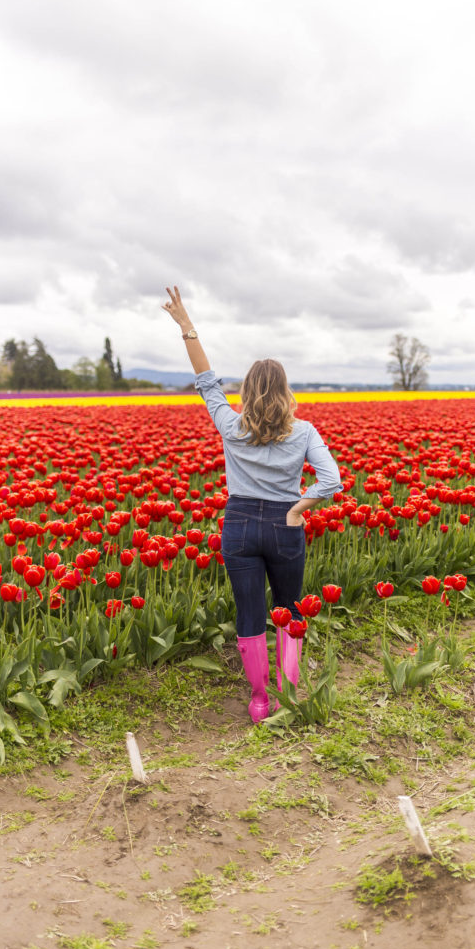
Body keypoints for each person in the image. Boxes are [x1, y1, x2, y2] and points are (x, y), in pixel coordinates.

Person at [162, 286, 342, 723]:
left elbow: (206, 381)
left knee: (250, 612)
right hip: (285, 524)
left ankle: (260, 699)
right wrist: (299, 509)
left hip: (239, 523)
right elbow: (332, 481)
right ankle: (287, 692)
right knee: (290, 607)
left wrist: (187, 328)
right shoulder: (304, 432)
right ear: (285, 390)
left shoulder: (230, 424)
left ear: (247, 390)